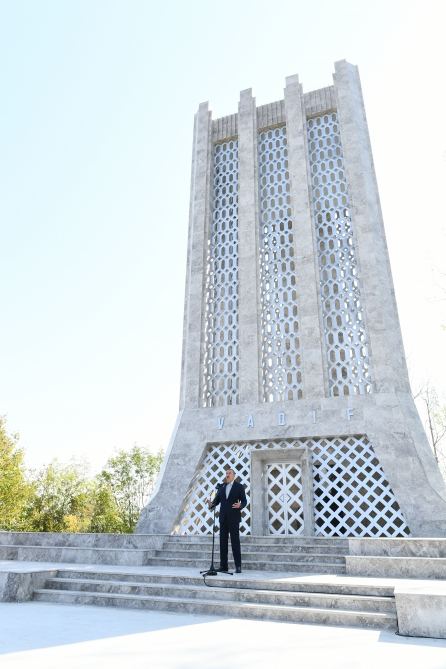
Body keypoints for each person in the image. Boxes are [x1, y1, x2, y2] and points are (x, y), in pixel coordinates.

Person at [209, 467, 247, 574]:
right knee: (223, 543)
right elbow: (215, 502)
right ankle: (223, 566)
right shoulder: (221, 487)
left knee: (235, 542)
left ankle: (238, 566)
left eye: (229, 473)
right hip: (223, 519)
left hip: (234, 518)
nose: (227, 475)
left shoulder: (239, 487)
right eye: (226, 473)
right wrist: (210, 504)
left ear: (234, 475)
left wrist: (241, 505)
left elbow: (244, 501)